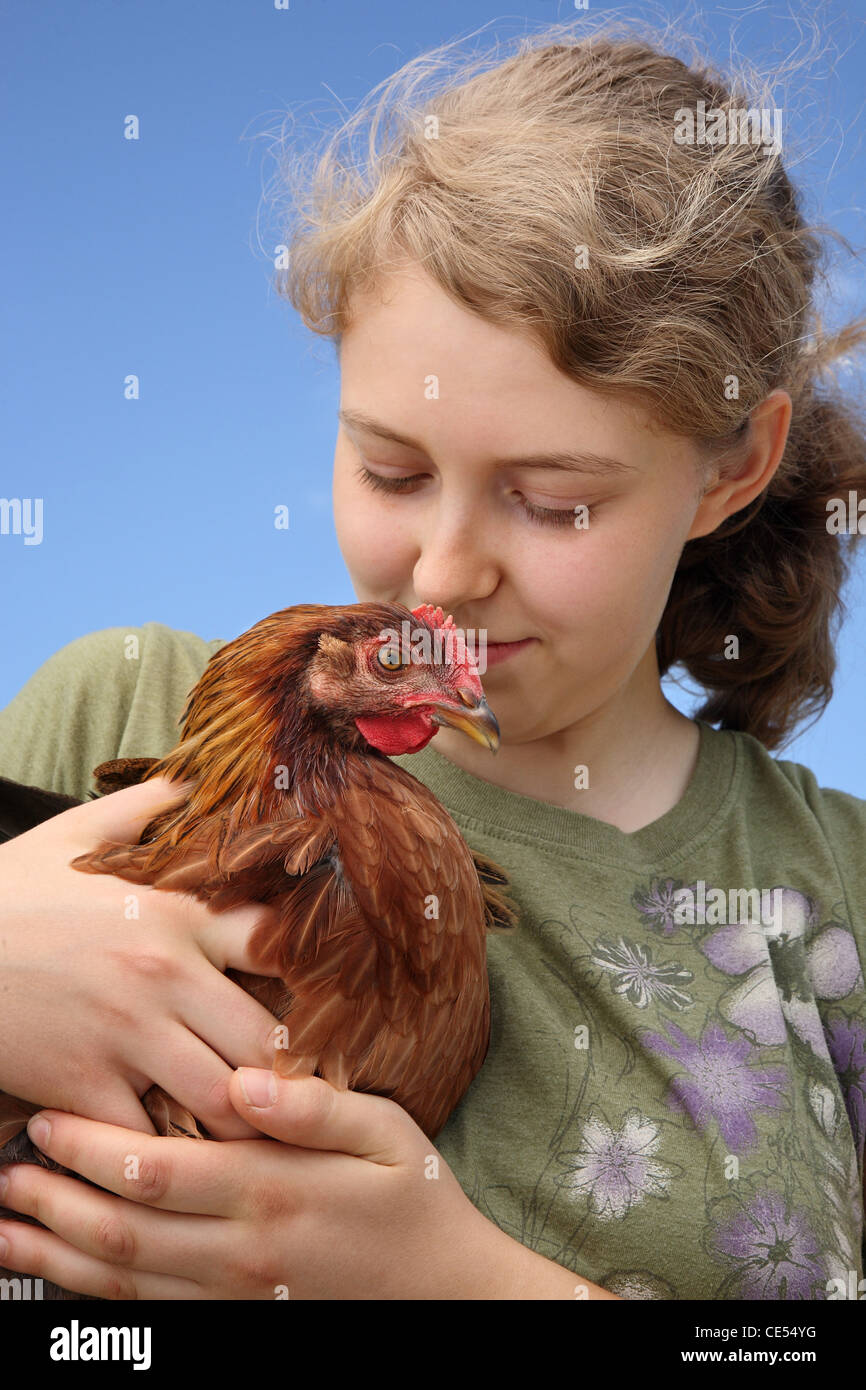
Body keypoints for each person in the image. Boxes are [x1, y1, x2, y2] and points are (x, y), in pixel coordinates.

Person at [0, 19, 864, 1300]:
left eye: (553, 498)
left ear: (730, 469)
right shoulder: (122, 716)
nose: (445, 572)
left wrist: (452, 1284)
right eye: (390, 470)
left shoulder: (827, 885)